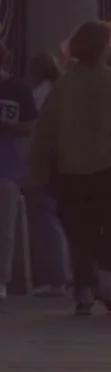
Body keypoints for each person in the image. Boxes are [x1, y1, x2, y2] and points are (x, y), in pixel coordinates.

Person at [29, 20, 111, 316]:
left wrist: (39, 170)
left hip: (72, 168)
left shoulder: (63, 85)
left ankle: (83, 289)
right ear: (105, 47)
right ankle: (106, 280)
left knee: (79, 230)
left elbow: (45, 132)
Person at [25, 54, 71, 297]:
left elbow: (35, 132)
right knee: (65, 219)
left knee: (45, 219)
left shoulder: (40, 95)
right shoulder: (66, 91)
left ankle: (54, 277)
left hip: (46, 163)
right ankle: (71, 274)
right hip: (69, 162)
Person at [0, 43, 38, 302]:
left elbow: (30, 126)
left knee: (5, 227)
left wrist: (8, 126)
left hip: (7, 166)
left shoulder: (19, 90)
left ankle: (1, 281)